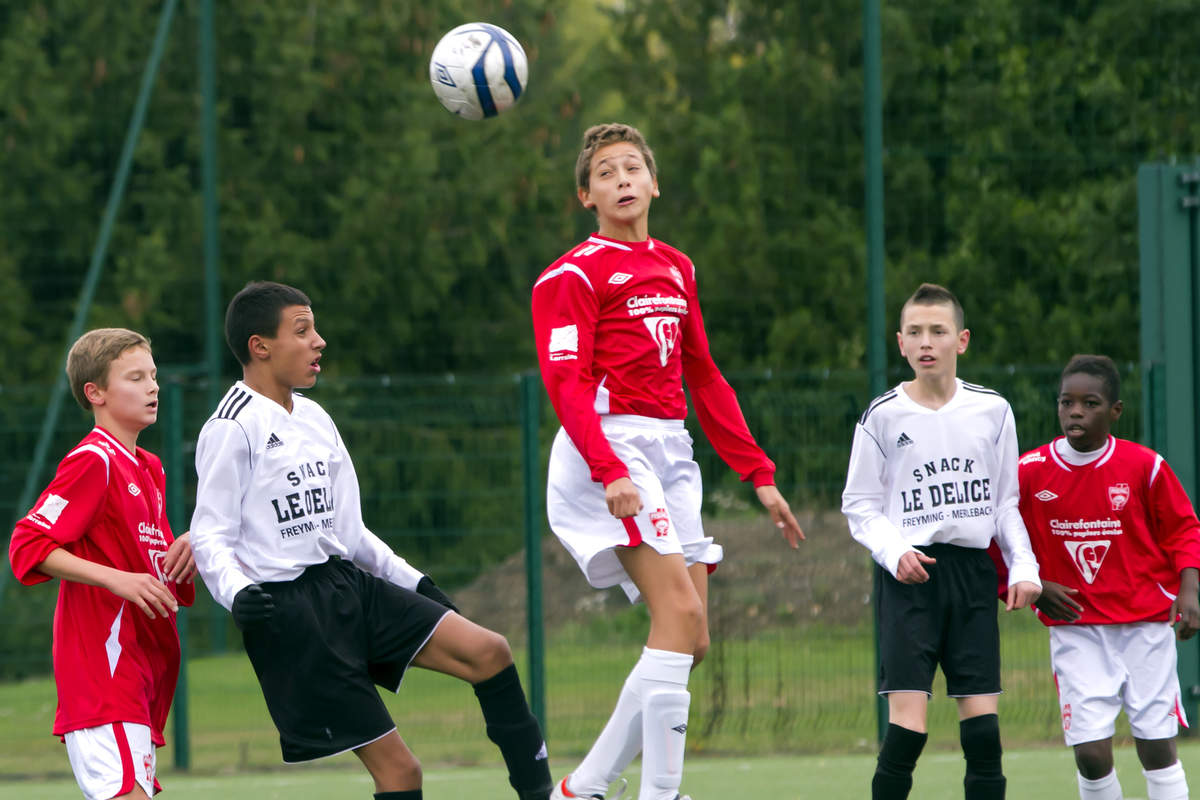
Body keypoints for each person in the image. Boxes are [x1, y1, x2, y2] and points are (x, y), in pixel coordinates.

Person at [189, 281, 552, 800]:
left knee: (489, 651)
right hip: (291, 616)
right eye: (303, 330)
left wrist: (415, 582)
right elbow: (210, 534)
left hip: (348, 587)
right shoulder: (231, 427)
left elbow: (351, 532)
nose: (320, 341)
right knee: (402, 774)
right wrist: (237, 593)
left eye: (315, 328)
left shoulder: (315, 418)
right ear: (259, 346)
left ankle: (544, 795)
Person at [532, 122, 805, 800]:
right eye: (606, 172)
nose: (622, 179)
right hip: (609, 447)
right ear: (585, 196)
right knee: (678, 620)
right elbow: (565, 384)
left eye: (633, 168)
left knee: (692, 637)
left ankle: (583, 788)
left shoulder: (677, 266)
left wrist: (759, 476)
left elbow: (704, 376)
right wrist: (610, 470)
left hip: (668, 448)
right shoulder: (569, 275)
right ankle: (661, 795)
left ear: (655, 183)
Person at [841, 283, 1042, 800]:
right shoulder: (882, 417)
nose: (926, 341)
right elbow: (860, 505)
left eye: (938, 331)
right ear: (901, 344)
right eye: (915, 332)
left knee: (983, 735)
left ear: (962, 340)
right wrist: (895, 552)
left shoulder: (993, 410)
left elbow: (1005, 504)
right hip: (910, 580)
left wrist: (1024, 566)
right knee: (907, 731)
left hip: (972, 578)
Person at [9, 328, 196, 800]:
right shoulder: (94, 460)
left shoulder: (149, 468)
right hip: (105, 679)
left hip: (142, 680)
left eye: (153, 375)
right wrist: (116, 580)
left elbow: (160, 570)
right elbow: (27, 544)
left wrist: (199, 547)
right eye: (136, 377)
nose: (153, 386)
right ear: (95, 393)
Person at [1016, 354, 1198, 800]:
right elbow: (1002, 540)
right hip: (1077, 630)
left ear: (1115, 411)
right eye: (1066, 402)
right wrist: (1033, 586)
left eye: (1090, 403)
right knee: (1091, 754)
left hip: (1145, 626)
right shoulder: (1029, 471)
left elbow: (1183, 528)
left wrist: (1190, 589)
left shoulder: (1144, 466)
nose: (1075, 412)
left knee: (1156, 746)